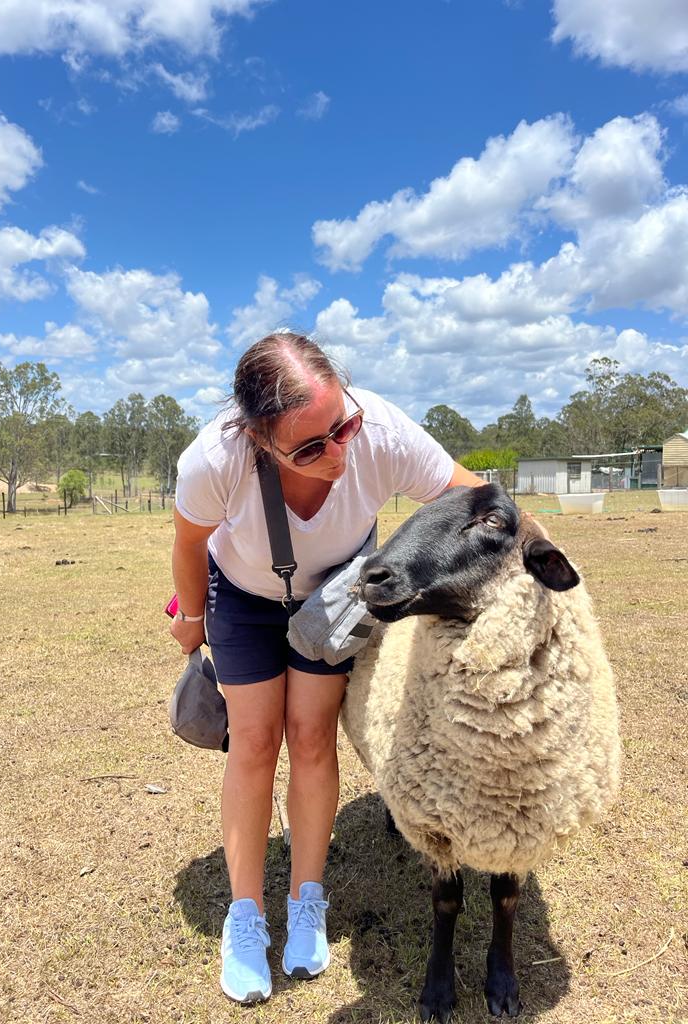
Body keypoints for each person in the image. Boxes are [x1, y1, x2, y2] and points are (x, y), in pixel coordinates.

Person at [169, 332, 484, 1004]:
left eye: (343, 427)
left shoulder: (383, 432)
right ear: (257, 438)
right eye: (310, 447)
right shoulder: (212, 460)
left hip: (336, 597)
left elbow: (472, 498)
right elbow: (190, 541)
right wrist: (192, 617)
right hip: (245, 597)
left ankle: (306, 898)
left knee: (313, 738)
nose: (337, 454)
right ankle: (246, 915)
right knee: (255, 743)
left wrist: (533, 545)